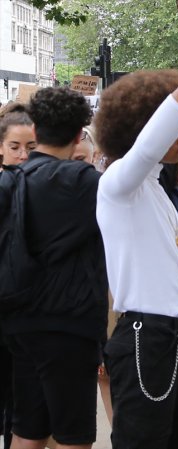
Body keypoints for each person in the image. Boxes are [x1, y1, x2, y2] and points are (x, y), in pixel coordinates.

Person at [94, 39, 178, 449]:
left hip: (173, 335)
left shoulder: (155, 190)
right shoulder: (119, 183)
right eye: (176, 129)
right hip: (146, 338)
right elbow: (152, 140)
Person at [1, 87, 107, 449]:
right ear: (79, 135)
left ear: (35, 129)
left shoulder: (12, 179)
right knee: (73, 436)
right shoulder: (86, 183)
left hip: (19, 322)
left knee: (27, 431)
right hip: (69, 326)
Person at [0, 102, 36, 449]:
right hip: (9, 308)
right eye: (15, 147)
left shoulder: (39, 187)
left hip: (26, 312)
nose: (23, 155)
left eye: (30, 147)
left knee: (20, 407)